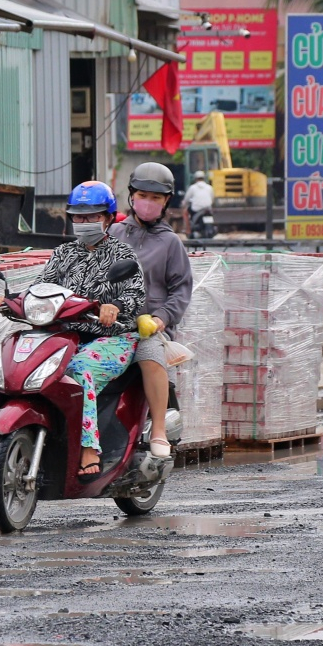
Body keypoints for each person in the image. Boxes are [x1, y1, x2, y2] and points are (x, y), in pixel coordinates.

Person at [0, 181, 146, 480]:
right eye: (78, 217)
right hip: (65, 335)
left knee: (78, 370)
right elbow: (42, 287)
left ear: (107, 217)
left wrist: (113, 305)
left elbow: (135, 295)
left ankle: (90, 448)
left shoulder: (122, 255)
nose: (84, 223)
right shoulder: (63, 253)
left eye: (92, 217)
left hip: (112, 337)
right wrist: (13, 300)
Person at [112, 163, 194, 459]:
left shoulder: (171, 243)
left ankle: (158, 428)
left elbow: (182, 288)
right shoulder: (113, 233)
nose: (148, 202)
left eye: (155, 198)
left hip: (147, 329)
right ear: (132, 196)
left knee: (148, 356)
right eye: (143, 195)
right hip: (109, 324)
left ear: (166, 202)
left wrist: (162, 318)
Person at [183, 170, 215, 239]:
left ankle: (188, 230)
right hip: (208, 209)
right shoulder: (209, 187)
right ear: (204, 178)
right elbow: (212, 199)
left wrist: (184, 203)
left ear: (195, 179)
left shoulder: (192, 187)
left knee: (185, 212)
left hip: (196, 209)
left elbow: (186, 199)